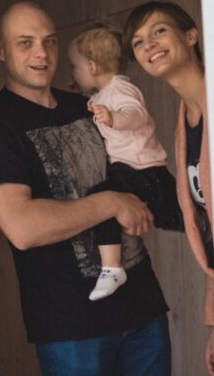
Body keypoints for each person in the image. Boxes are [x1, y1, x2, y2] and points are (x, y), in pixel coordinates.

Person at [0, 2, 171, 376]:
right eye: (25, 43)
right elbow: (23, 227)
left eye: (50, 41)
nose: (42, 53)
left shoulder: (90, 105)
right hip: (71, 329)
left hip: (142, 308)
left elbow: (138, 164)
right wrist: (110, 202)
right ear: (1, 50)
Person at [124, 1, 214, 376]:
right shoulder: (184, 122)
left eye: (159, 31)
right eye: (138, 42)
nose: (149, 44)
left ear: (191, 35)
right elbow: (213, 231)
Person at [67, 25, 184, 302]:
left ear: (92, 66)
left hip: (141, 170)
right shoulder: (101, 95)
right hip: (132, 170)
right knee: (181, 217)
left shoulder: (121, 89)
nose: (72, 73)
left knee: (100, 200)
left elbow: (136, 114)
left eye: (75, 67)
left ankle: (111, 267)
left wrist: (114, 119)